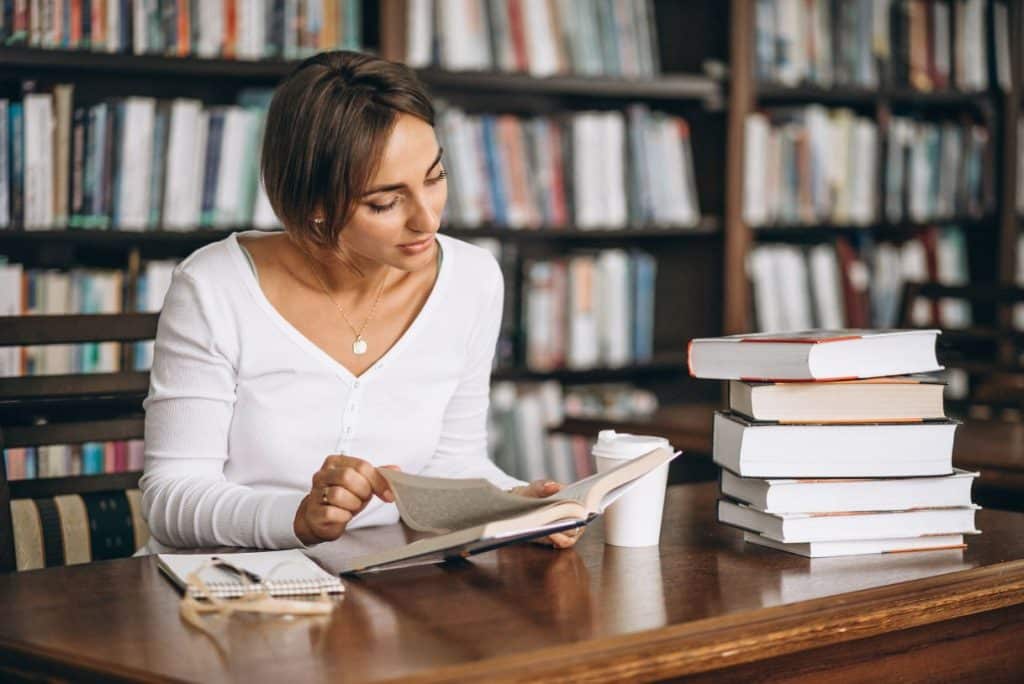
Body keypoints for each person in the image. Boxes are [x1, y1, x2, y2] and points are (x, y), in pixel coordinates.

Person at [137, 50, 582, 554]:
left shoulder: (473, 280)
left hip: (377, 584)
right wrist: (296, 518)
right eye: (385, 202)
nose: (427, 220)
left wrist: (514, 505)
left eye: (434, 179)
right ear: (316, 206)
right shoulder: (214, 286)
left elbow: (453, 462)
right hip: (215, 590)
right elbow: (170, 497)